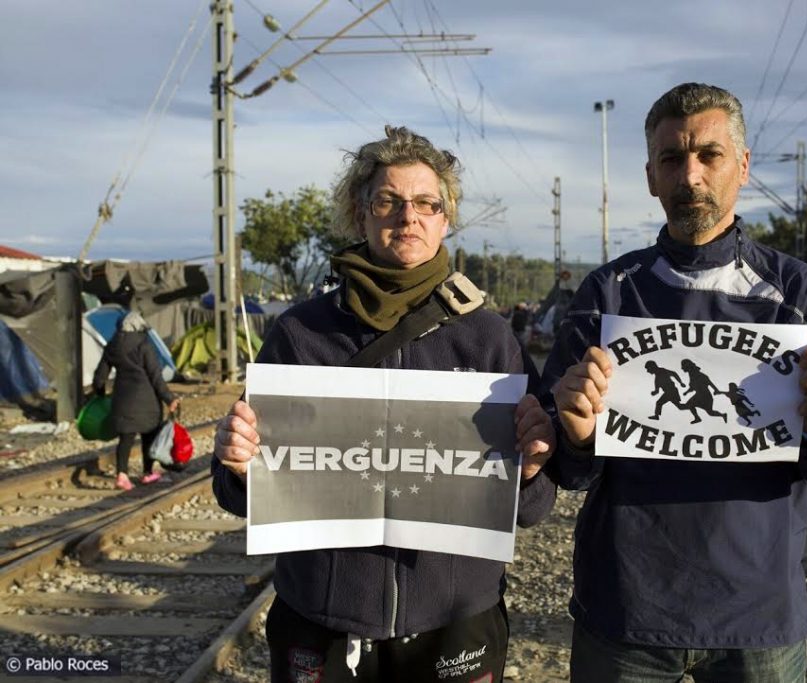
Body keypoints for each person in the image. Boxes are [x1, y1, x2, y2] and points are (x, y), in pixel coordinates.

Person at [544, 82, 807, 683]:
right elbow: (565, 473)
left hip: (757, 621)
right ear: (651, 175)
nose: (691, 176)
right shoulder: (607, 294)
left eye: (709, 155)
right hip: (624, 613)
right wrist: (572, 436)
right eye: (672, 160)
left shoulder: (800, 293)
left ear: (743, 167)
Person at [211, 125, 557, 682]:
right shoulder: (300, 333)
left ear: (446, 218)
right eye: (388, 201)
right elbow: (239, 494)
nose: (408, 216)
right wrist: (237, 463)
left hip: (457, 618)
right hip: (321, 616)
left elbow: (532, 508)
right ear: (360, 213)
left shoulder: (491, 339)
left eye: (426, 203)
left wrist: (535, 468)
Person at [92, 311, 180, 491]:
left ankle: (121, 475)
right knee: (148, 436)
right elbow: (156, 377)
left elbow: (100, 377)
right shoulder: (144, 345)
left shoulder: (113, 345)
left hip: (122, 400)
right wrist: (169, 399)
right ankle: (147, 473)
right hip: (147, 401)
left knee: (126, 438)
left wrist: (100, 395)